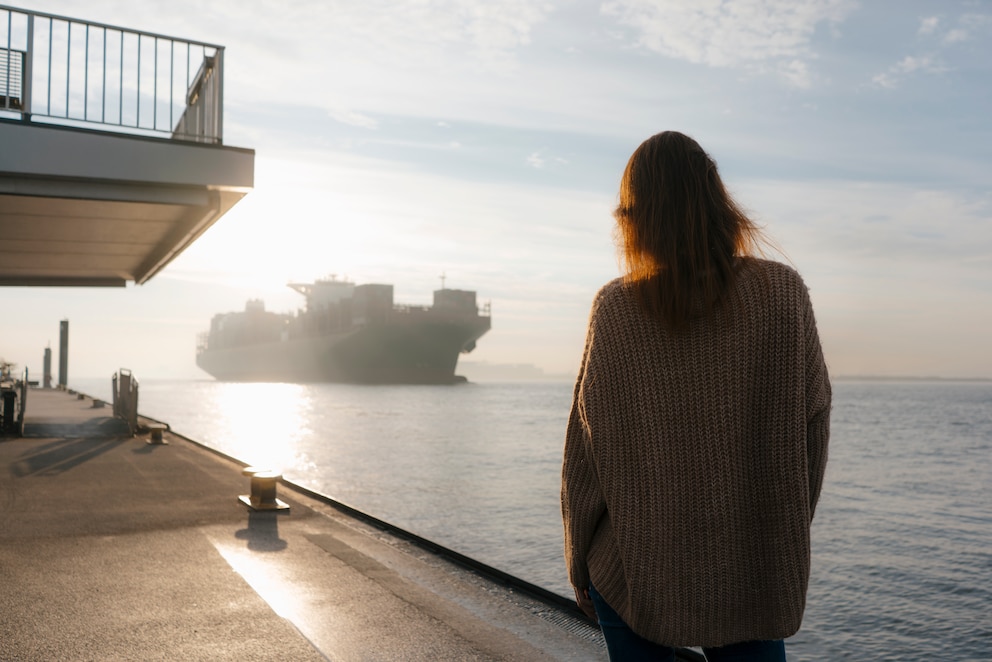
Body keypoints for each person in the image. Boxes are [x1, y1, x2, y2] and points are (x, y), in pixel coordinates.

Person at [561, 131, 831, 662]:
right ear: (718, 203)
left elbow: (584, 454)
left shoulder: (615, 308)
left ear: (634, 215)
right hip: (750, 568)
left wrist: (579, 563)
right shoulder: (783, 294)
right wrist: (779, 532)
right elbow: (812, 433)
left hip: (632, 567)